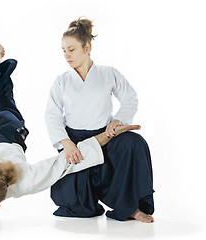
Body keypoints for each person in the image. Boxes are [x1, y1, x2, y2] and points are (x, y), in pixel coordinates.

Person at [0, 40, 141, 222]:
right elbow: (68, 162)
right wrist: (109, 134)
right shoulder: (22, 181)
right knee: (0, 103)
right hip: (7, 132)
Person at [45, 18, 155, 223]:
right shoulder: (62, 80)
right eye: (63, 51)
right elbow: (52, 114)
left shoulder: (108, 73)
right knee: (79, 205)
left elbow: (130, 98)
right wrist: (66, 143)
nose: (66, 55)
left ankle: (130, 207)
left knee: (134, 143)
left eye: (71, 49)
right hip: (76, 142)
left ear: (86, 47)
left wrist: (118, 121)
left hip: (107, 136)